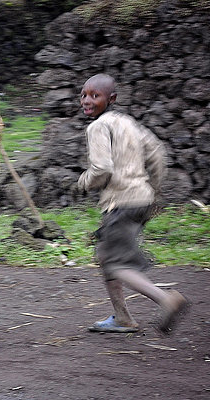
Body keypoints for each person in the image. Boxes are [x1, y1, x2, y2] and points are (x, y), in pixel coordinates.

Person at [77, 73, 190, 335]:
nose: (87, 100)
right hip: (141, 200)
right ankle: (122, 318)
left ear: (111, 98)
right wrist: (155, 192)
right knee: (106, 255)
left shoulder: (97, 127)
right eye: (83, 95)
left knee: (117, 264)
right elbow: (157, 154)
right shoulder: (128, 123)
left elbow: (102, 168)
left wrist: (84, 181)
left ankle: (165, 299)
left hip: (122, 202)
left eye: (95, 95)